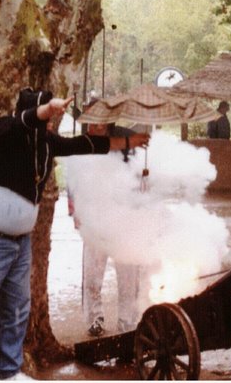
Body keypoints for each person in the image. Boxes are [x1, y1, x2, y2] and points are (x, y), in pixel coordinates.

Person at [0, 88, 150, 380]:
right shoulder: (5, 130)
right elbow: (24, 121)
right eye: (45, 116)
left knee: (18, 312)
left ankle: (9, 370)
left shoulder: (46, 143)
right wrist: (48, 109)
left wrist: (129, 141)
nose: (50, 124)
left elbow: (86, 144)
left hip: (19, 242)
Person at [68, 123, 142, 336]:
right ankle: (94, 319)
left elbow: (141, 178)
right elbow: (73, 182)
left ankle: (128, 322)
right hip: (94, 218)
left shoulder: (128, 140)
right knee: (92, 273)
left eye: (99, 121)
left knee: (129, 275)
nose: (94, 125)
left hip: (124, 219)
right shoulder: (82, 144)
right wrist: (75, 212)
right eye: (91, 121)